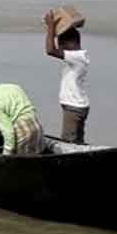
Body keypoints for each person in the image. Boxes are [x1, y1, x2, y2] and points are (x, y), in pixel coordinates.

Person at [44, 10, 91, 143]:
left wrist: (51, 26)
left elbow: (50, 50)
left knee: (68, 143)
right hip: (78, 106)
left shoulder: (77, 57)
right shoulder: (79, 57)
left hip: (73, 108)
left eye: (62, 45)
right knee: (78, 142)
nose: (61, 49)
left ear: (72, 43)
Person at [0, 71, 44, 155]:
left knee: (19, 164)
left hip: (23, 133)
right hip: (37, 127)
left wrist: (6, 154)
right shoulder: (14, 87)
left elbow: (8, 132)